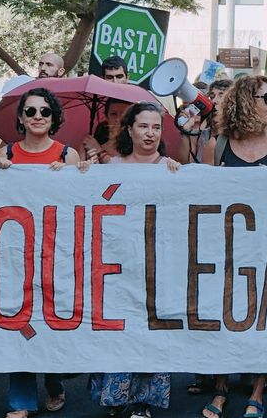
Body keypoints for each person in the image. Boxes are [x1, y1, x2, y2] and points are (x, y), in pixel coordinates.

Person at [200, 75, 267, 418]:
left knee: (264, 319)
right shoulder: (218, 146)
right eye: (266, 98)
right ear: (245, 101)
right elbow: (201, 198)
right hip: (226, 247)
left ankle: (258, 389)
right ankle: (221, 388)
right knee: (223, 317)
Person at [89, 102, 178, 418]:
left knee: (151, 332)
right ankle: (115, 398)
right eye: (143, 126)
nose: (150, 133)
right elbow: (96, 202)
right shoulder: (112, 166)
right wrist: (77, 172)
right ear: (129, 129)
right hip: (117, 265)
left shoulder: (171, 169)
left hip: (157, 266)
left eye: (156, 127)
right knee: (118, 331)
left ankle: (143, 401)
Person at [0, 87, 79, 418]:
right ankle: (21, 402)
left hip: (55, 255)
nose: (38, 117)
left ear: (53, 117)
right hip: (14, 258)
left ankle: (54, 382)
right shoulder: (7, 154)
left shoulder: (67, 156)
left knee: (50, 323)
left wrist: (72, 176)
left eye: (45, 111)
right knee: (18, 322)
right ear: (20, 117)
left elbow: (79, 205)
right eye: (30, 111)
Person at [177, 79, 230, 164]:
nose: (214, 101)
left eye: (221, 96)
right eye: (212, 97)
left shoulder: (237, 135)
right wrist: (186, 131)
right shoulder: (203, 132)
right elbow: (185, 163)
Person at [84, 97, 132, 163]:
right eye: (114, 114)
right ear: (106, 117)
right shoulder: (90, 144)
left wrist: (100, 152)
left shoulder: (137, 147)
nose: (118, 119)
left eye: (123, 114)